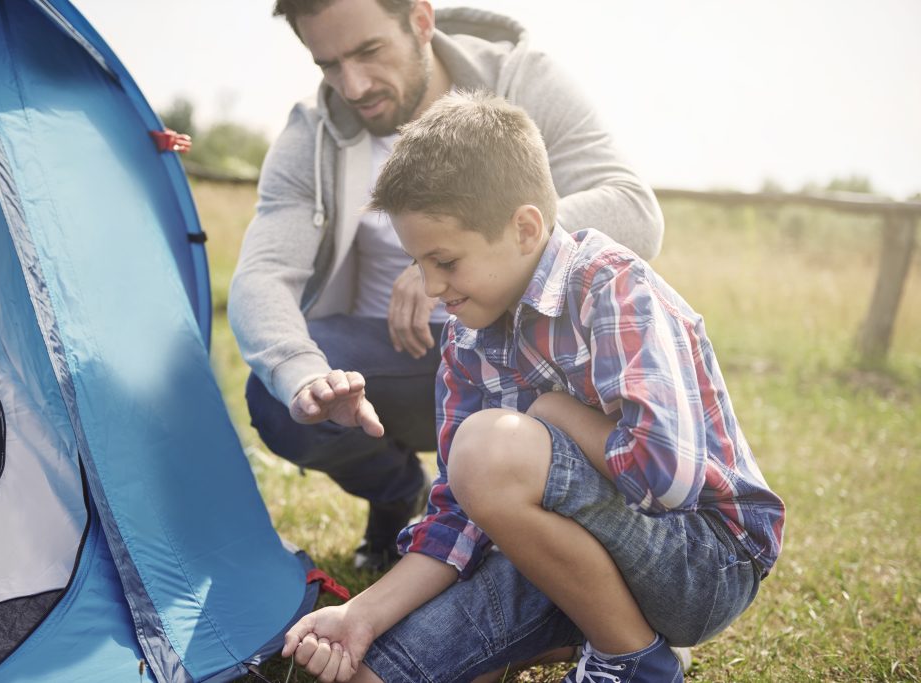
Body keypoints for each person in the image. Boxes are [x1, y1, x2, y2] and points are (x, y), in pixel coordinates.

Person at [278, 91, 786, 683]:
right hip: (565, 560)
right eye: (418, 264)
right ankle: (583, 630)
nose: (431, 286)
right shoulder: (467, 340)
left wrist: (555, 414)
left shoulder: (612, 289)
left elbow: (667, 479)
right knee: (372, 675)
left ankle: (633, 660)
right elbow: (459, 518)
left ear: (525, 228)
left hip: (703, 561)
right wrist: (361, 615)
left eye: (444, 261)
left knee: (491, 446)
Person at [229, 0, 665, 571]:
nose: (353, 86)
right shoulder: (310, 136)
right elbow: (261, 275)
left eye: (368, 52)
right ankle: (397, 494)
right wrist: (302, 372)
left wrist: (453, 257)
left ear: (421, 21)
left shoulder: (522, 78)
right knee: (281, 397)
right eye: (328, 64)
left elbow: (634, 210)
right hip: (401, 361)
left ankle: (555, 536)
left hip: (533, 361)